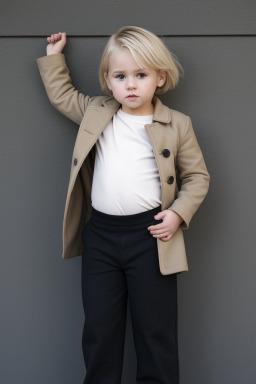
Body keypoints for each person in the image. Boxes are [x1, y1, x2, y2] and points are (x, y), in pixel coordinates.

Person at [37, 26, 210, 384]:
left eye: (141, 75)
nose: (131, 85)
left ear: (160, 78)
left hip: (151, 239)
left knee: (155, 333)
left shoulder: (177, 124)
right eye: (121, 76)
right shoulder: (96, 112)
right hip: (100, 237)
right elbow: (62, 96)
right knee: (100, 332)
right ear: (108, 80)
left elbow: (198, 178)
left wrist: (178, 214)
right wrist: (55, 58)